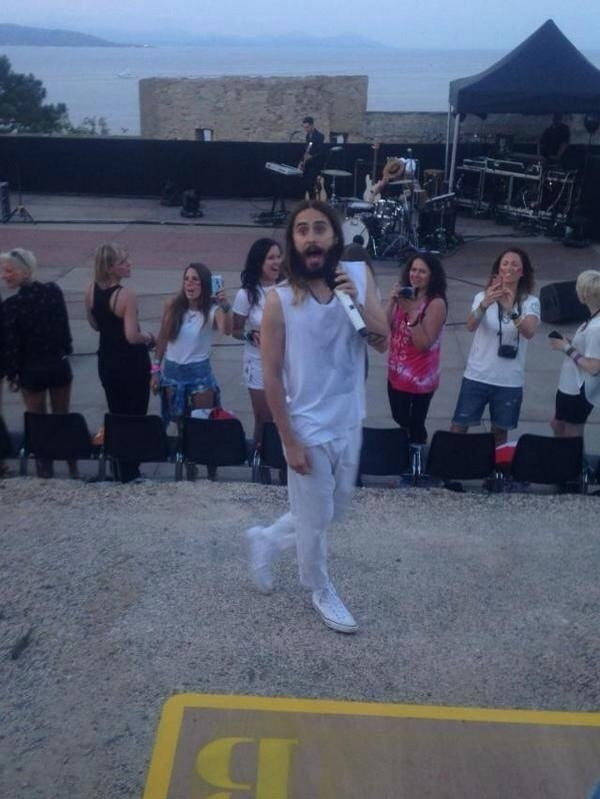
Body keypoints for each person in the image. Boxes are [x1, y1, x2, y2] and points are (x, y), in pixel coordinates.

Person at [246, 199, 389, 634]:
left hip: (349, 419)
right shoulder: (279, 300)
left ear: (334, 237)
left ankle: (266, 539)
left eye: (320, 228)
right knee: (314, 522)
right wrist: (288, 440)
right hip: (306, 426)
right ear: (293, 242)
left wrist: (355, 300)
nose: (312, 237)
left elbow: (382, 340)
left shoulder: (359, 277)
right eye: (302, 229)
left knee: (329, 511)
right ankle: (320, 589)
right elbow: (271, 375)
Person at [451, 248, 540, 446]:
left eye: (515, 264)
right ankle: (451, 461)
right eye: (505, 263)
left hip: (509, 380)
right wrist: (484, 304)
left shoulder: (530, 302)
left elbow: (529, 331)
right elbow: (470, 325)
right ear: (498, 270)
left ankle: (497, 465)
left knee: (499, 433)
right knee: (459, 426)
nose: (509, 268)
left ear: (522, 272)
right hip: (477, 375)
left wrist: (510, 310)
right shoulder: (482, 296)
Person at [1, 248, 75, 478]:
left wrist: (12, 374)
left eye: (9, 271)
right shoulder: (53, 292)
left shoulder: (11, 306)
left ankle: (45, 470)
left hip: (31, 370)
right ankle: (72, 467)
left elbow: (11, 345)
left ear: (24, 272)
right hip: (57, 364)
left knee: (38, 423)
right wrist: (66, 350)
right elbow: (63, 329)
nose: (4, 276)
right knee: (62, 418)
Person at [85, 243, 154, 483]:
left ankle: (118, 465)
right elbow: (132, 336)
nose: (129, 264)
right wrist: (150, 337)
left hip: (107, 358)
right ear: (110, 268)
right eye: (123, 262)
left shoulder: (90, 290)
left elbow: (94, 324)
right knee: (135, 414)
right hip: (131, 362)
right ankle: (131, 469)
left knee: (116, 411)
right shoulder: (126, 295)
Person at [151, 262, 232, 428]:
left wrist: (225, 307)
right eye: (186, 279)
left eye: (195, 280)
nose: (189, 283)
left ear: (205, 284)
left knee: (200, 425)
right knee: (179, 423)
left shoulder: (212, 310)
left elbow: (227, 330)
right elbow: (163, 337)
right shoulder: (172, 305)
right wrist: (156, 370)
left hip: (199, 375)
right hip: (172, 374)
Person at [386, 253, 447, 447]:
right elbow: (384, 327)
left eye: (422, 271)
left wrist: (412, 312)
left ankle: (417, 455)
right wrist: (392, 302)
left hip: (418, 379)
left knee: (414, 424)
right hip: (396, 372)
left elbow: (423, 344)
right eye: (413, 269)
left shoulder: (435, 303)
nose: (416, 275)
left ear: (432, 275)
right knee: (399, 416)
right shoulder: (406, 296)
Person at [232, 238, 282, 446]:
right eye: (270, 258)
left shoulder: (289, 289)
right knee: (264, 419)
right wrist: (249, 335)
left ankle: (283, 460)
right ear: (259, 262)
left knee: (286, 418)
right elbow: (235, 330)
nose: (276, 262)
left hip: (286, 361)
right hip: (258, 362)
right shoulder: (246, 294)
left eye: (279, 257)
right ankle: (260, 458)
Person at [549, 270, 600, 437]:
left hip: (578, 389)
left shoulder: (596, 328)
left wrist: (566, 348)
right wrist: (571, 344)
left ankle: (572, 455)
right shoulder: (593, 320)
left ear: (584, 295)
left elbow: (594, 367)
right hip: (570, 385)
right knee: (557, 424)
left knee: (572, 432)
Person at [299, 116, 326, 200]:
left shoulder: (320, 136)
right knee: (304, 184)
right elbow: (306, 150)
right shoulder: (307, 136)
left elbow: (321, 152)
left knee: (310, 184)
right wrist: (302, 161)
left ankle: (313, 202)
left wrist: (311, 156)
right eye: (304, 127)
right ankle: (307, 203)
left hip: (315, 164)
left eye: (307, 127)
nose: (306, 129)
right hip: (308, 164)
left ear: (312, 125)